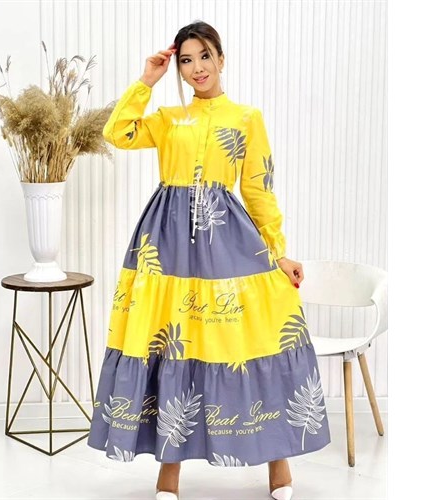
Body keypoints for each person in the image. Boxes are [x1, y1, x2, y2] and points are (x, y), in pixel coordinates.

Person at [87, 20, 331, 500]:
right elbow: (117, 132)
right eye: (186, 60)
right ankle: (168, 476)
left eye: (204, 56)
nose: (197, 68)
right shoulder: (168, 117)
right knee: (172, 344)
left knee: (244, 339)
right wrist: (147, 80)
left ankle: (278, 467)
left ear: (221, 58)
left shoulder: (246, 117)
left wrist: (278, 252)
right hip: (166, 245)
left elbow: (258, 189)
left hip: (227, 239)